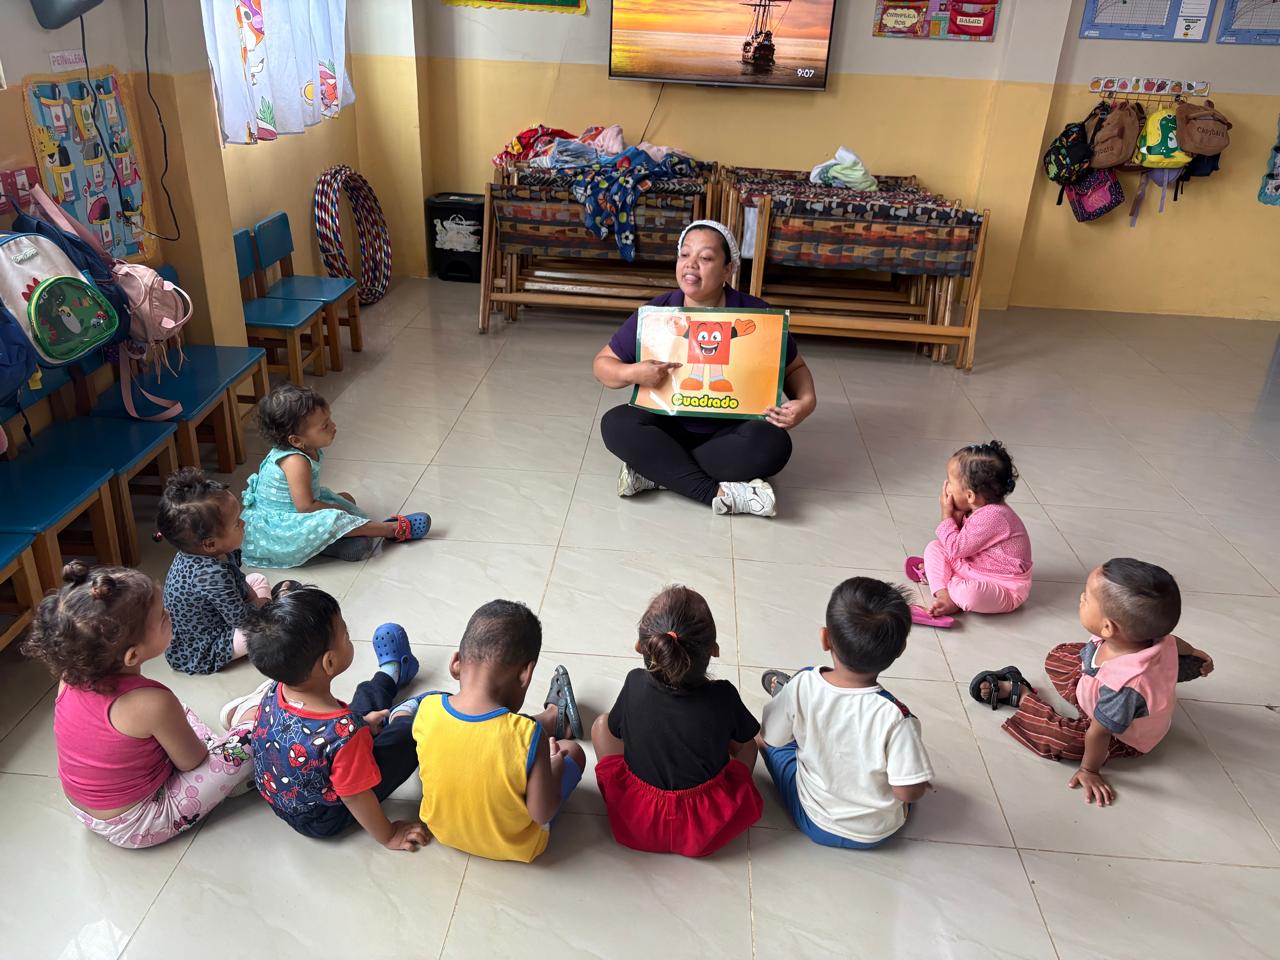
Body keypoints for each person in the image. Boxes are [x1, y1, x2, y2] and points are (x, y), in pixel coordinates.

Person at [21, 561, 261, 848]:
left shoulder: (68, 678)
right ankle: (246, 727)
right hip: (140, 822)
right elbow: (192, 762)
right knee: (247, 740)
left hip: (85, 810)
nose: (170, 614)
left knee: (172, 714)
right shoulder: (152, 702)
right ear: (132, 656)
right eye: (162, 616)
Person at [593, 220, 818, 517]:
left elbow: (794, 368)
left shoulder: (756, 315)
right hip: (668, 427)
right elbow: (603, 364)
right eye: (684, 254)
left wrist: (806, 403)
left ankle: (656, 471)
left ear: (728, 269)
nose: (691, 264)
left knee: (773, 445)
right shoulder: (658, 314)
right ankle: (717, 494)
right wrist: (633, 372)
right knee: (616, 424)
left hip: (729, 432)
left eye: (706, 257)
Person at [972, 559, 1214, 806]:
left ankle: (1023, 696)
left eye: (1086, 598)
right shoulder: (1152, 638)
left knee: (1062, 739)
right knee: (1059, 655)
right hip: (1095, 685)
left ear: (1107, 627)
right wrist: (1196, 653)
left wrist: (1089, 770)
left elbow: (1099, 733)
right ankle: (1089, 689)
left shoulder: (1125, 688)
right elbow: (1175, 642)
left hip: (1120, 734)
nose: (1081, 598)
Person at [241, 586, 429, 850]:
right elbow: (355, 797)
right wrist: (389, 835)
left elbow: (327, 734)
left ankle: (390, 676)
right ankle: (402, 714)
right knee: (408, 734)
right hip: (325, 817)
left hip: (286, 801)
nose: (349, 637)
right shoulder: (346, 734)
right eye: (346, 634)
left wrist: (360, 724)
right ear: (329, 663)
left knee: (359, 704)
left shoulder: (277, 688)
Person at [757, 577, 933, 849]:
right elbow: (907, 792)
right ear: (900, 649)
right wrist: (918, 783)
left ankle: (785, 695)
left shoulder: (805, 684)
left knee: (765, 739)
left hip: (815, 821)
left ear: (825, 638)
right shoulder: (897, 717)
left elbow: (772, 737)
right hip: (875, 834)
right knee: (906, 775)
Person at [592, 585, 763, 857]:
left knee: (601, 725)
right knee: (749, 744)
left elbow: (615, 730)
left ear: (641, 647)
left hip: (639, 821)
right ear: (714, 651)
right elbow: (744, 740)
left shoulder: (634, 683)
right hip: (705, 828)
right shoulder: (724, 696)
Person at [412, 600, 586, 863]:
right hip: (517, 846)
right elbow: (542, 813)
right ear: (525, 674)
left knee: (498, 734)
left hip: (443, 832)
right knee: (572, 751)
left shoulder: (427, 709)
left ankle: (553, 719)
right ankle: (556, 720)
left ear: (456, 663)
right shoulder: (529, 735)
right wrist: (556, 767)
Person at [240, 383, 432, 568]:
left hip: (295, 512)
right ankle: (389, 529)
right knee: (337, 518)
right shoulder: (295, 461)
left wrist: (336, 506)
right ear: (296, 440)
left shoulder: (304, 448)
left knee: (346, 499)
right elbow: (305, 506)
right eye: (325, 426)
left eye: (329, 420)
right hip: (282, 530)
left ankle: (335, 540)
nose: (333, 426)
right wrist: (335, 510)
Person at [155, 468, 274, 674]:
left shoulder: (205, 552)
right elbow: (240, 619)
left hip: (218, 616)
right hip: (202, 648)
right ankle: (271, 615)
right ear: (210, 544)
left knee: (257, 578)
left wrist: (254, 599)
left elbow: (238, 580)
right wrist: (260, 605)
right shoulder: (210, 574)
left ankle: (268, 609)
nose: (243, 523)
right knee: (264, 632)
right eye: (236, 523)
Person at [905, 440, 1032, 625]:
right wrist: (956, 519)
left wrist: (947, 515)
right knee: (934, 547)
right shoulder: (976, 507)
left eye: (950, 482)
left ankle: (945, 583)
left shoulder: (993, 516)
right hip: (972, 566)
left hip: (1003, 585)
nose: (946, 486)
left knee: (968, 594)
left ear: (970, 496)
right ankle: (945, 594)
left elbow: (956, 549)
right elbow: (960, 544)